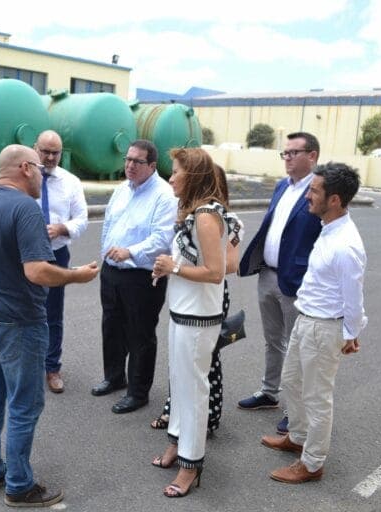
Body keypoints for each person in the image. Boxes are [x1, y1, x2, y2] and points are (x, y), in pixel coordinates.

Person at [0, 144, 99, 507]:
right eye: (40, 168)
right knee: (25, 402)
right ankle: (19, 484)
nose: (44, 174)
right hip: (16, 319)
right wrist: (77, 276)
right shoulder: (25, 208)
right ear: (25, 168)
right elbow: (37, 270)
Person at [261, 162, 366, 484]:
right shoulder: (328, 229)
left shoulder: (346, 245)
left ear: (334, 199)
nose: (308, 195)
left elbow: (354, 298)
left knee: (317, 397)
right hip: (307, 319)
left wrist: (350, 334)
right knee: (292, 382)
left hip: (324, 328)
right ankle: (298, 436)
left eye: (314, 190)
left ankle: (312, 462)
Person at [150, 148, 241, 498]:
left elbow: (216, 272)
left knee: (192, 392)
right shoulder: (195, 212)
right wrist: (168, 266)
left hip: (198, 318)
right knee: (179, 385)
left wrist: (173, 267)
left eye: (176, 172)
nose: (170, 177)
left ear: (195, 176)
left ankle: (192, 465)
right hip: (183, 312)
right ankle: (176, 445)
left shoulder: (205, 216)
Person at [236, 132, 322, 434]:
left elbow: (322, 238)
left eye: (293, 153)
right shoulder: (281, 186)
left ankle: (295, 409)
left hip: (294, 281)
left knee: (297, 348)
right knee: (273, 340)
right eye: (284, 153)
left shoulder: (319, 190)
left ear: (311, 156)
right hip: (267, 275)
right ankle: (269, 392)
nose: (287, 158)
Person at [92, 139, 177, 414]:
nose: (129, 165)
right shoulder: (121, 191)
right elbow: (109, 225)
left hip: (143, 276)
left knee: (140, 334)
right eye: (128, 159)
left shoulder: (164, 195)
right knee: (112, 327)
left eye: (137, 161)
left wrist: (129, 251)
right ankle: (115, 376)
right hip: (112, 272)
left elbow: (163, 238)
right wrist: (107, 254)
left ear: (152, 165)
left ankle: (138, 392)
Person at [33, 130, 89, 394]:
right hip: (26, 254)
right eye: (45, 151)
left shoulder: (71, 182)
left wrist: (62, 228)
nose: (50, 157)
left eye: (55, 152)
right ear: (36, 149)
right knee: (23, 310)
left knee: (52, 314)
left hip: (57, 253)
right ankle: (24, 365)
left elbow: (82, 218)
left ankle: (52, 367)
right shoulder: (25, 175)